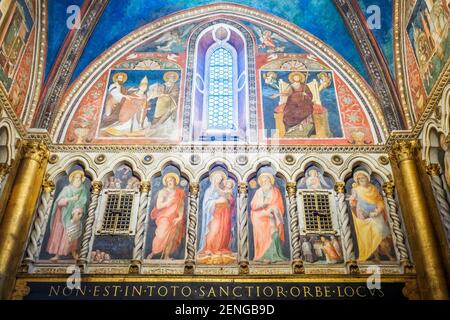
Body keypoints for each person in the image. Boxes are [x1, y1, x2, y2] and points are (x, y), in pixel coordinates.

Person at [349, 171, 395, 262]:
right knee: (369, 236)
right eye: (359, 179)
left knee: (380, 235)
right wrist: (352, 201)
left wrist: (378, 211)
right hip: (363, 215)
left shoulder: (373, 189)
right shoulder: (356, 189)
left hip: (376, 215)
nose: (361, 180)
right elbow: (353, 201)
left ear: (368, 178)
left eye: (363, 178)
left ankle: (389, 256)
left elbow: (380, 201)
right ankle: (376, 256)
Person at [46, 170, 89, 262]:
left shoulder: (83, 189)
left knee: (72, 234)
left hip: (74, 215)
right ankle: (57, 255)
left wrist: (77, 208)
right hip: (62, 215)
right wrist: (70, 199)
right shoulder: (67, 189)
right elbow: (59, 202)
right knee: (59, 234)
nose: (78, 179)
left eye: (80, 178)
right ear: (72, 179)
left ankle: (73, 253)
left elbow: (83, 201)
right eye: (76, 177)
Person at [250, 168, 287, 262]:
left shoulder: (276, 191)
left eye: (267, 180)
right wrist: (262, 205)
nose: (266, 181)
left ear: (271, 181)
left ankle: (274, 255)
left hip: (273, 215)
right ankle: (262, 256)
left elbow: (280, 206)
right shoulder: (258, 192)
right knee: (261, 232)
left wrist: (273, 209)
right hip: (259, 215)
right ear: (261, 182)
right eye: (264, 180)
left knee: (274, 230)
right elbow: (253, 206)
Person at [148, 171, 185, 260]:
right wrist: (169, 201)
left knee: (171, 238)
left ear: (175, 181)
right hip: (164, 217)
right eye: (168, 181)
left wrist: (180, 217)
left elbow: (181, 205)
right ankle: (153, 253)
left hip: (175, 218)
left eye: (171, 180)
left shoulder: (179, 192)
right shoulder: (163, 192)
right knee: (161, 235)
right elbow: (159, 205)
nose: (170, 182)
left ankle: (166, 256)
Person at [198, 170, 235, 256]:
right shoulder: (209, 190)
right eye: (218, 177)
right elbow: (206, 203)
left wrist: (228, 200)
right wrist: (216, 202)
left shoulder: (223, 189)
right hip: (214, 214)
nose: (219, 179)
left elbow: (230, 200)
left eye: (221, 178)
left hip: (224, 213)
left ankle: (219, 248)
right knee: (214, 229)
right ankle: (209, 248)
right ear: (213, 179)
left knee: (223, 231)